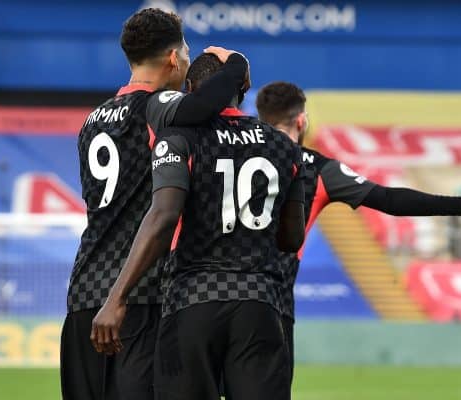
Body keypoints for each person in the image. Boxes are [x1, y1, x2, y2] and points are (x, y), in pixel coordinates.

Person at [91, 53, 305, 400]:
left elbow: (164, 217)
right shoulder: (284, 146)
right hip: (260, 302)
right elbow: (292, 239)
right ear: (244, 88)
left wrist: (117, 297)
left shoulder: (179, 139)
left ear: (189, 89)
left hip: (193, 301)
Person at [60, 8, 249, 400]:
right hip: (136, 298)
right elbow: (204, 106)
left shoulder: (93, 119)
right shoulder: (156, 105)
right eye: (186, 51)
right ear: (172, 58)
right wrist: (236, 66)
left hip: (83, 294)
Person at [256, 80, 461, 385]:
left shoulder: (223, 158)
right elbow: (390, 200)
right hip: (270, 305)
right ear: (302, 120)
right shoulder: (318, 169)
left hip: (204, 296)